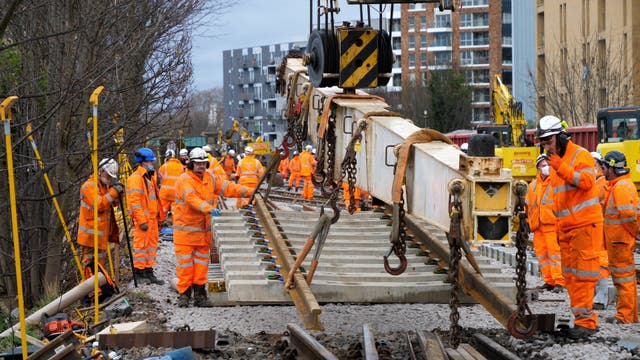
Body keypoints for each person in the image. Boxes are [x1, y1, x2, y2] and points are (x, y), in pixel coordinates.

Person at [537, 115, 603, 338]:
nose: (546, 147)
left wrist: (561, 167)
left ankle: (586, 322)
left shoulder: (579, 155)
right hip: (566, 228)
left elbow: (586, 182)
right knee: (570, 276)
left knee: (583, 276)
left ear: (561, 137)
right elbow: (560, 200)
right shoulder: (557, 164)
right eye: (544, 143)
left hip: (584, 226)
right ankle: (581, 320)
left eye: (549, 142)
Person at [173, 147, 254, 307]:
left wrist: (251, 192)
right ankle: (184, 295)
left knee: (202, 267)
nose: (201, 167)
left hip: (203, 233)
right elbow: (191, 198)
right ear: (191, 164)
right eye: (198, 164)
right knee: (185, 267)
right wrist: (208, 208)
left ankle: (200, 295)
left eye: (203, 163)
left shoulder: (210, 178)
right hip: (186, 234)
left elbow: (229, 188)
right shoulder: (184, 180)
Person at [601, 150, 639, 324]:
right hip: (619, 240)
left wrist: (633, 234)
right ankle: (628, 315)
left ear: (613, 168)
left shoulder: (621, 187)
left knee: (624, 280)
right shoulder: (619, 185)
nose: (603, 170)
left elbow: (628, 216)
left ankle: (625, 316)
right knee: (624, 279)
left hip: (620, 241)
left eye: (605, 167)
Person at [77, 158, 122, 279]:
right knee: (90, 268)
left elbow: (112, 204)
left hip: (100, 237)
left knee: (99, 268)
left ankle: (99, 293)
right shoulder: (89, 186)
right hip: (90, 237)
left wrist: (118, 194)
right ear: (101, 171)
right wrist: (113, 192)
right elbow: (99, 204)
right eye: (109, 175)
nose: (110, 179)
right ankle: (89, 295)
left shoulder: (103, 186)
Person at [126, 147, 165, 285]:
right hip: (143, 221)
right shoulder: (136, 179)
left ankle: (148, 271)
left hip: (152, 219)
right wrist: (142, 220)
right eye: (150, 161)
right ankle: (139, 272)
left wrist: (159, 217)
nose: (152, 164)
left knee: (151, 246)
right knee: (141, 247)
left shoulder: (148, 177)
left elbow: (154, 199)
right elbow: (134, 203)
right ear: (143, 162)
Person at [526, 154, 564, 293]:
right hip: (537, 226)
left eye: (547, 164)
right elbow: (528, 205)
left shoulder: (556, 183)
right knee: (542, 255)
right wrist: (526, 222)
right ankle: (549, 281)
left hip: (551, 225)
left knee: (554, 254)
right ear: (537, 168)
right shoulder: (533, 186)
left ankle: (559, 281)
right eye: (543, 165)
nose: (546, 167)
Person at [591, 151, 610, 310]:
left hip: (600, 230)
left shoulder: (601, 183)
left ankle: (602, 297)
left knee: (601, 263)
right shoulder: (596, 182)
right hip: (595, 229)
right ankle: (597, 296)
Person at [158, 149, 184, 215]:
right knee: (176, 212)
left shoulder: (163, 167)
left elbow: (159, 178)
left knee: (163, 210)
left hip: (165, 193)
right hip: (177, 194)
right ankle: (175, 223)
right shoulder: (181, 167)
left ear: (167, 157)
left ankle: (161, 222)